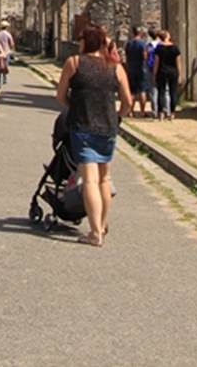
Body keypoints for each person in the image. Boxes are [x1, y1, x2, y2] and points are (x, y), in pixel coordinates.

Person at [56, 24, 132, 247]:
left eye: (80, 38)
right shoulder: (115, 67)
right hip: (108, 128)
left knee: (89, 180)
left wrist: (74, 106)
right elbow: (128, 101)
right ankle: (102, 223)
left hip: (83, 126)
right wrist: (118, 117)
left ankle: (95, 231)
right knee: (105, 178)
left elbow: (60, 96)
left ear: (86, 41)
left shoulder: (75, 63)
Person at [151, 29, 182, 121]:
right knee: (173, 92)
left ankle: (161, 113)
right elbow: (178, 63)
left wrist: (154, 74)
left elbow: (156, 62)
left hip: (162, 71)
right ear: (167, 37)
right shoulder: (175, 48)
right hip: (173, 72)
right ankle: (172, 113)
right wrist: (180, 74)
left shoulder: (159, 48)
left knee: (161, 92)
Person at [124, 27, 149, 118]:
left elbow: (126, 56)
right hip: (141, 68)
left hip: (131, 68)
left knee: (132, 91)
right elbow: (145, 56)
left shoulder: (129, 44)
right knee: (142, 90)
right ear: (140, 33)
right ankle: (142, 111)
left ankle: (130, 111)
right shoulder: (143, 44)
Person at [144, 28, 161, 118]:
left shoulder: (149, 45)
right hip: (161, 68)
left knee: (153, 90)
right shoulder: (160, 45)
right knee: (163, 90)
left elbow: (145, 57)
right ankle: (164, 110)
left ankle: (154, 110)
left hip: (151, 68)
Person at [0, 21, 14, 86]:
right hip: (7, 52)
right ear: (6, 27)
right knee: (5, 65)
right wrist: (11, 48)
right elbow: (12, 43)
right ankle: (4, 78)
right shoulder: (8, 34)